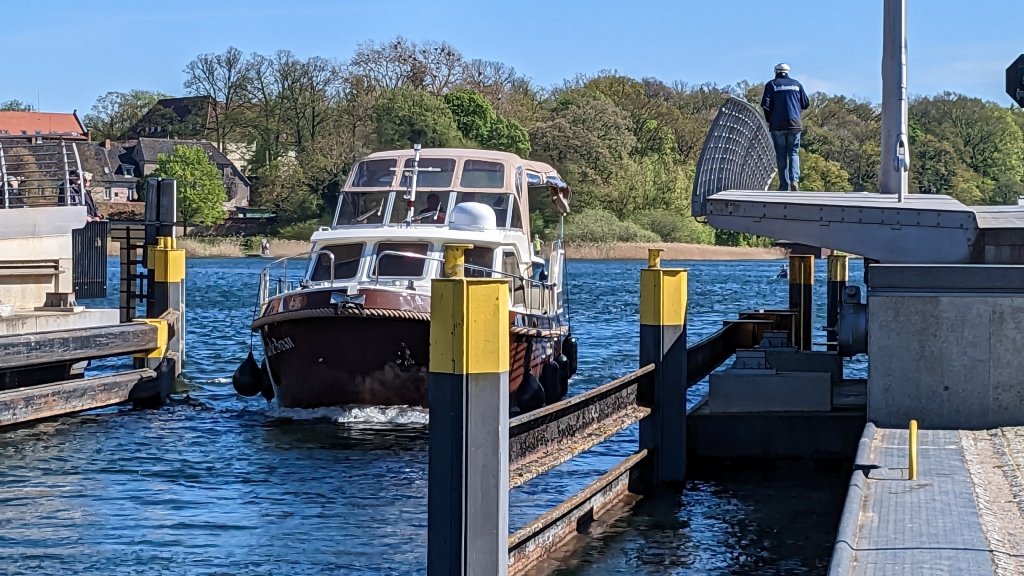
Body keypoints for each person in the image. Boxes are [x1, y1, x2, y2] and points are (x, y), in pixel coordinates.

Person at [761, 63, 810, 191]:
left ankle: (784, 184)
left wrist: (769, 120)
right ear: (788, 72)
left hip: (777, 125)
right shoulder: (797, 85)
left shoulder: (772, 85)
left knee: (781, 154)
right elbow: (805, 103)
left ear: (775, 72)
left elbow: (765, 105)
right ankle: (794, 180)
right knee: (793, 152)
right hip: (794, 124)